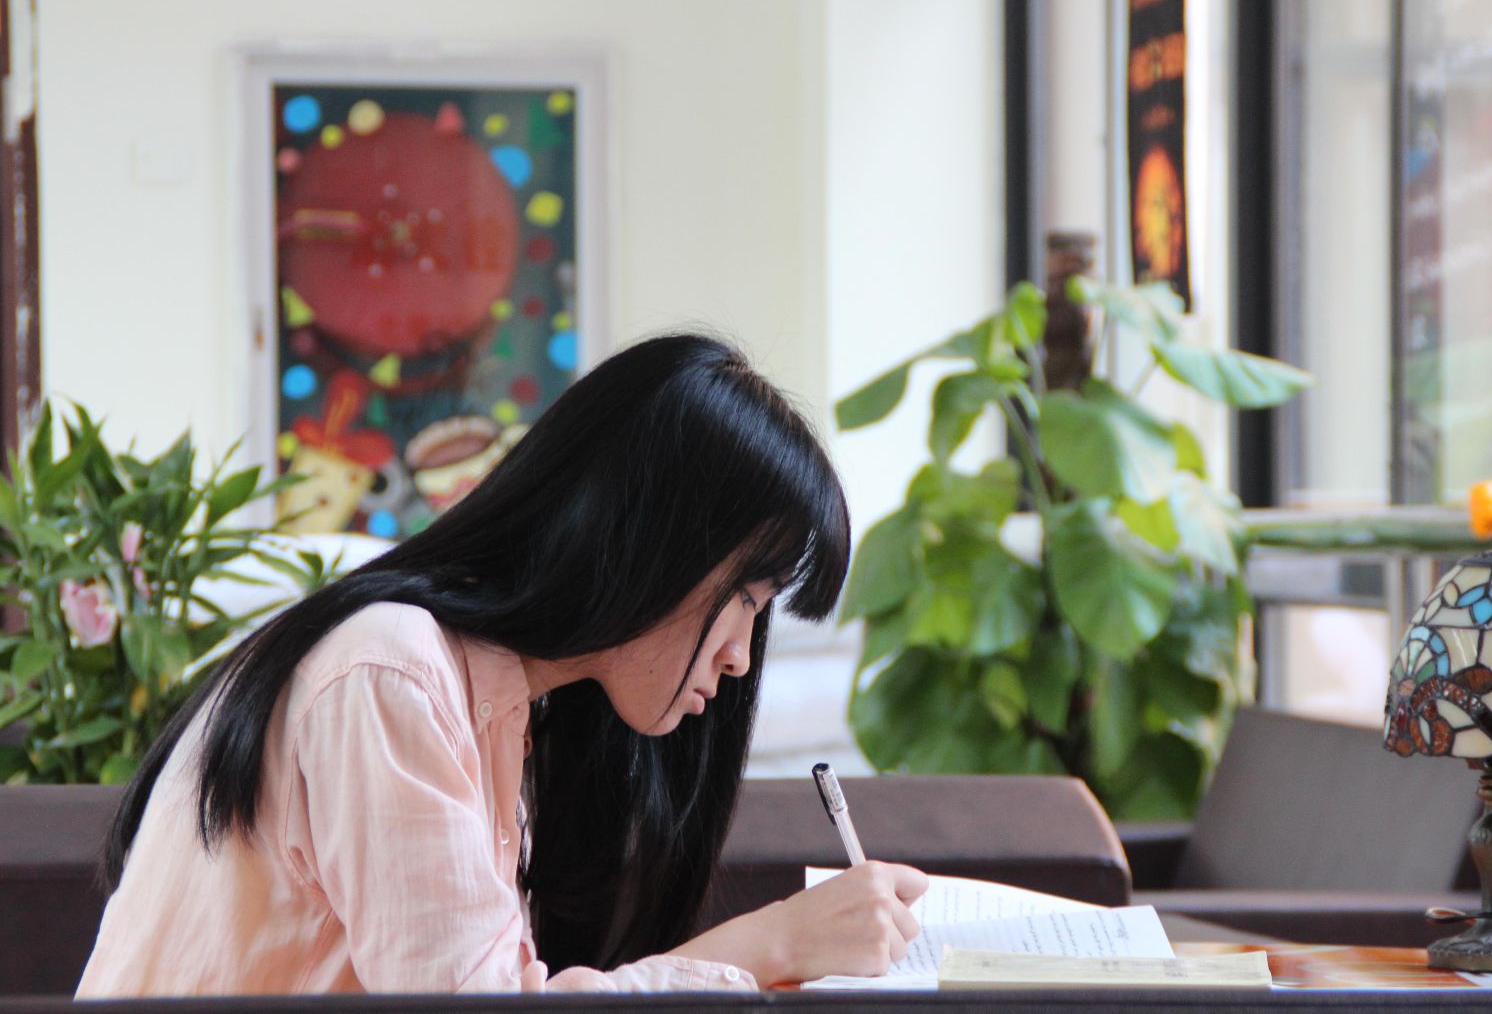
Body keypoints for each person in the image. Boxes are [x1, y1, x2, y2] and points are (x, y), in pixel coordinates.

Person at [78, 334, 927, 996]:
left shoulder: (504, 712)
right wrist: (776, 941)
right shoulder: (390, 674)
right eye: (742, 596)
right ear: (649, 542)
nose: (741, 656)